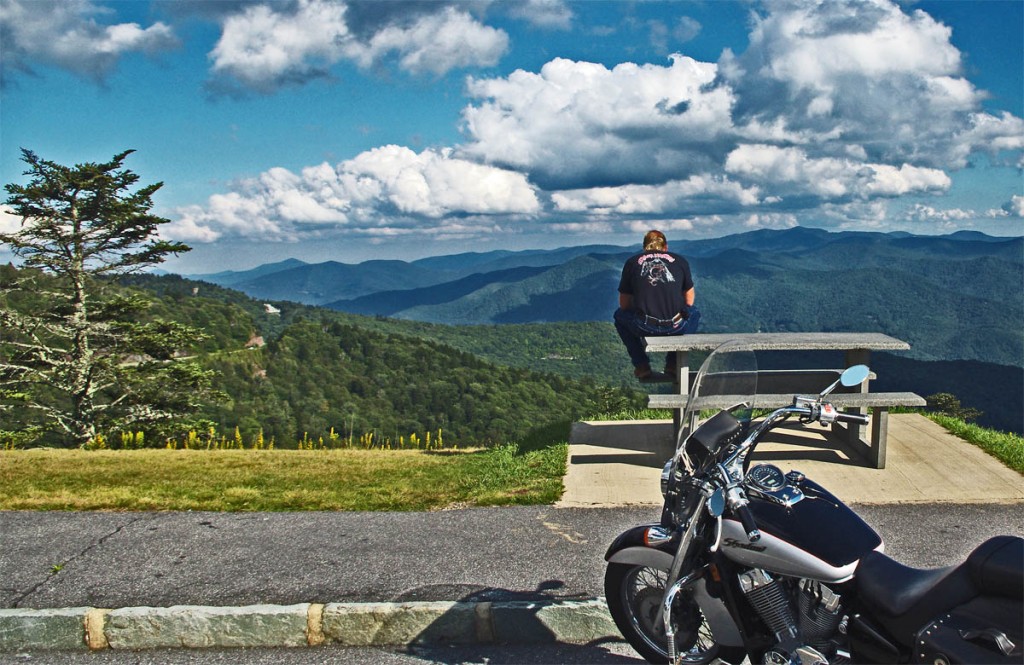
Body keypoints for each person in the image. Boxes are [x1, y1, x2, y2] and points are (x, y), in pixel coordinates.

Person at [613, 230, 701, 380]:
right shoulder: (680, 261)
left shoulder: (632, 262)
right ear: (665, 247)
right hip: (676, 326)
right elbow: (689, 300)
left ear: (644, 247)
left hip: (645, 325)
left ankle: (641, 365)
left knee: (619, 316)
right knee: (694, 312)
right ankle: (673, 363)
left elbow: (624, 305)